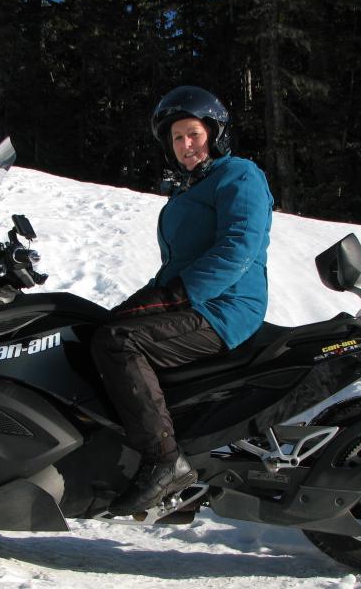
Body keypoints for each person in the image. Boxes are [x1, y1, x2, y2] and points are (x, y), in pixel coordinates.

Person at [90, 85, 274, 516]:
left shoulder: (240, 174)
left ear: (214, 132)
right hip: (194, 300)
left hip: (225, 309)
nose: (185, 145)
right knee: (99, 327)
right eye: (176, 138)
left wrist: (177, 295)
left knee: (119, 341)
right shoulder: (189, 190)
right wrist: (148, 297)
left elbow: (238, 250)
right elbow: (177, 263)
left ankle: (164, 461)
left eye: (192, 134)